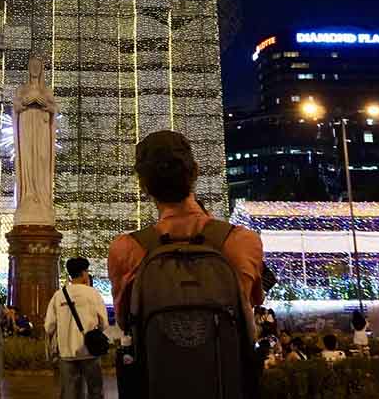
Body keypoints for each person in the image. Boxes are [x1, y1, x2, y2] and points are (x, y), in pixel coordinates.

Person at [107, 130, 265, 399]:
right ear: (196, 172)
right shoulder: (242, 242)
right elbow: (251, 305)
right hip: (225, 384)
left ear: (143, 185)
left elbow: (125, 320)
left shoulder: (126, 249)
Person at [46, 257, 108, 399]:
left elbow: (49, 326)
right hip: (90, 351)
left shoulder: (59, 295)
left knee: (70, 393)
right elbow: (104, 323)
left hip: (67, 353)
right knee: (95, 391)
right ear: (84, 273)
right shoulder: (93, 294)